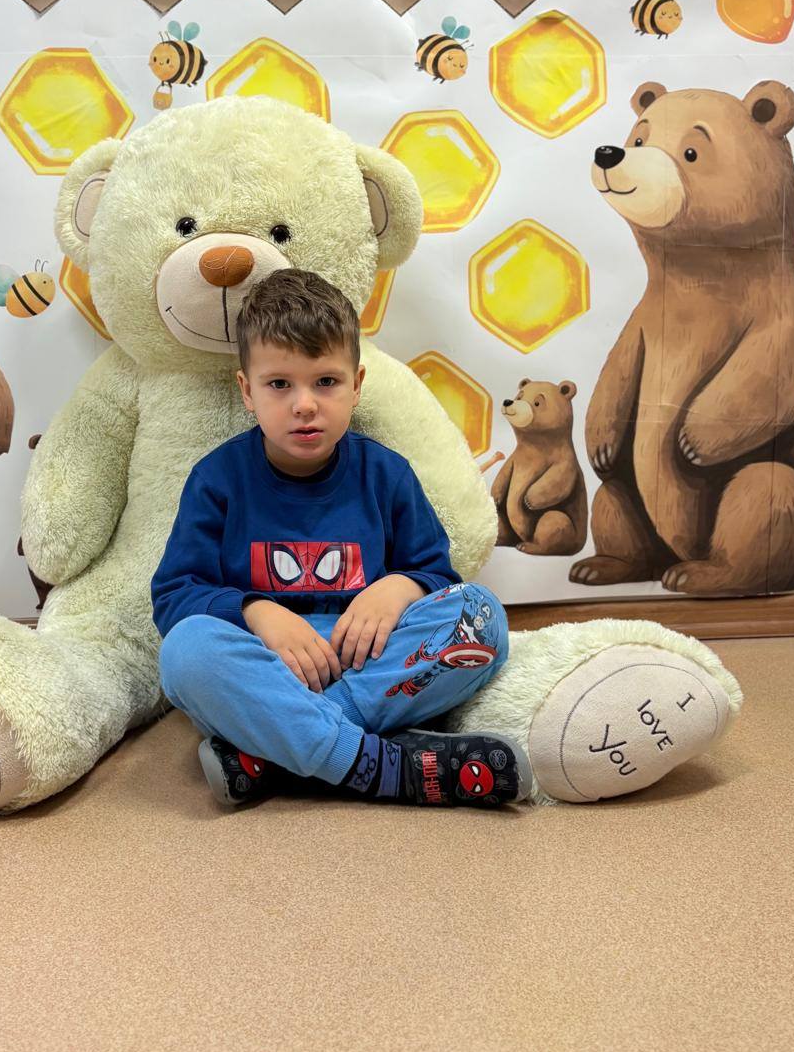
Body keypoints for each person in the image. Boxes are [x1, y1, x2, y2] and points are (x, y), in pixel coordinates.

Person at [153, 267, 531, 808]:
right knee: (186, 652)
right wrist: (257, 612)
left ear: (356, 385)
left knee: (482, 614)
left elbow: (438, 575)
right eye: (279, 384)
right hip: (268, 669)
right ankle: (382, 767)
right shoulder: (217, 479)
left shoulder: (387, 474)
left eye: (325, 382)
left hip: (366, 663)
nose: (305, 404)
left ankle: (282, 754)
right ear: (247, 391)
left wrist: (398, 587)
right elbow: (175, 596)